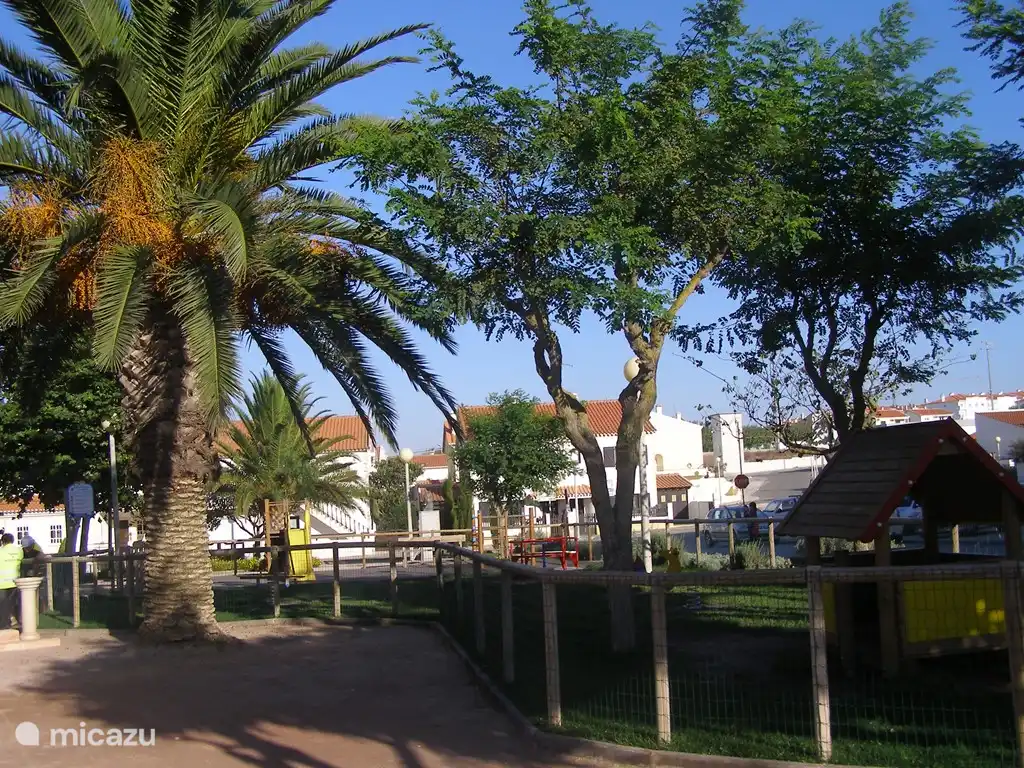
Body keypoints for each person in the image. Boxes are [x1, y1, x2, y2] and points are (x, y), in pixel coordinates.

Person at [0, 533, 23, 629]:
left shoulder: (1, 551)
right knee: (13, 604)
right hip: (15, 581)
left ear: (2, 541)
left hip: (2, 583)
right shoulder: (19, 551)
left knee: (2, 605)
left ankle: (4, 625)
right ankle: (17, 622)